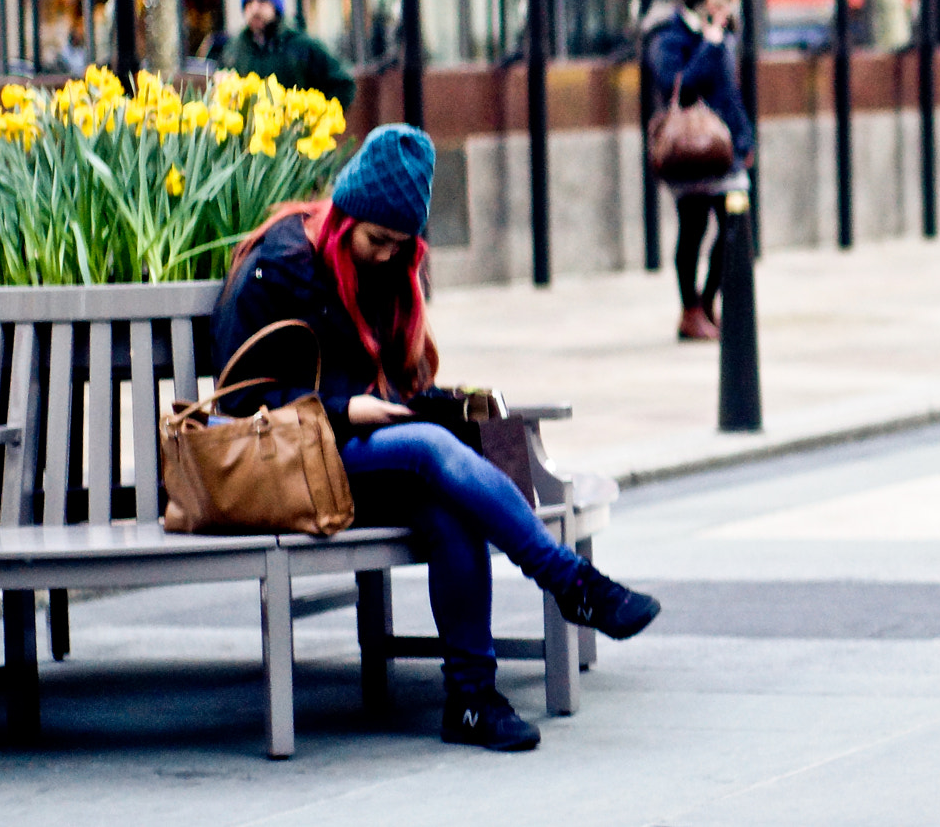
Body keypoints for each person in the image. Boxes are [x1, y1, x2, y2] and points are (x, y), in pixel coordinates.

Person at [213, 126, 662, 752]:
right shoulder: (278, 265)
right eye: (376, 240)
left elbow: (397, 380)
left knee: (446, 503)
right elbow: (234, 406)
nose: (387, 256)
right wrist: (347, 409)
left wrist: (410, 403)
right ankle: (572, 583)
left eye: (402, 246)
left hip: (352, 463)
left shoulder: (391, 272)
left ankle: (473, 700)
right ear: (344, 219)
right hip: (282, 464)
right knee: (425, 449)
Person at [644, 0, 756, 340]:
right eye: (717, 3)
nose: (725, 10)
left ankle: (708, 303)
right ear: (698, 5)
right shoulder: (670, 38)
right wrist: (708, 46)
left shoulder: (723, 37)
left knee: (733, 230)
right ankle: (689, 311)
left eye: (727, 2)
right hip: (691, 151)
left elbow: (730, 94)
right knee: (693, 230)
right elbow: (678, 86)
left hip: (728, 152)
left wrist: (745, 140)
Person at [219, 0, 358, 106]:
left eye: (262, 2)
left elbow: (344, 83)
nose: (254, 9)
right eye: (249, 3)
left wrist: (321, 117)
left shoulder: (303, 46)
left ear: (275, 7)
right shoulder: (234, 49)